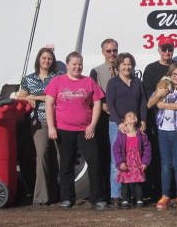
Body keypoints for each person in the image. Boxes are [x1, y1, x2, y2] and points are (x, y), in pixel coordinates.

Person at [45, 52, 107, 210]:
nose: (77, 67)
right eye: (74, 64)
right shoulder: (57, 81)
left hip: (85, 130)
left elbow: (97, 103)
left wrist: (92, 125)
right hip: (64, 130)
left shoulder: (88, 81)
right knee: (66, 164)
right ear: (67, 65)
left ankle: (97, 198)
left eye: (80, 64)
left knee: (95, 161)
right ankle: (66, 198)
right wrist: (51, 127)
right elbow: (49, 104)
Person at [17, 47, 60, 206]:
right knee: (41, 155)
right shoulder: (28, 79)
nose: (46, 61)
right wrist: (27, 97)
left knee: (58, 158)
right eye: (44, 58)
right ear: (38, 60)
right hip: (38, 121)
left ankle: (57, 194)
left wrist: (33, 96)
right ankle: (41, 197)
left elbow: (55, 97)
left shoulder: (57, 78)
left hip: (57, 120)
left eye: (49, 58)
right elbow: (20, 97)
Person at [146, 62, 177, 211]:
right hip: (163, 130)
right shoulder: (163, 87)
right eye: (174, 74)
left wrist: (163, 104)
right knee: (166, 164)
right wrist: (159, 95)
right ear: (170, 75)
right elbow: (150, 104)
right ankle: (165, 194)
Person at [106, 52, 148, 206]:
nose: (127, 66)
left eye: (129, 64)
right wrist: (119, 123)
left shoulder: (137, 82)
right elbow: (110, 103)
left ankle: (134, 196)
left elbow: (143, 102)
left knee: (135, 159)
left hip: (134, 126)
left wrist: (143, 119)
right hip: (117, 125)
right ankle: (117, 195)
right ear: (118, 66)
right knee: (116, 160)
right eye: (123, 64)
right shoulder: (113, 83)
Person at [142, 36, 177, 198]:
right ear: (159, 50)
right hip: (157, 120)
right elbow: (149, 98)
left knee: (176, 158)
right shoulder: (150, 69)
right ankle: (157, 191)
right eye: (164, 49)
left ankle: (176, 190)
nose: (167, 52)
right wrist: (160, 96)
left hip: (176, 120)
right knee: (157, 157)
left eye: (170, 49)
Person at [89, 38, 119, 203]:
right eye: (109, 51)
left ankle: (116, 192)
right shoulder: (96, 71)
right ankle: (104, 193)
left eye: (114, 50)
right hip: (102, 118)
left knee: (117, 156)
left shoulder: (124, 68)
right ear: (103, 52)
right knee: (103, 155)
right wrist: (102, 106)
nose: (112, 54)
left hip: (118, 119)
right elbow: (92, 94)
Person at [112, 111, 151, 208]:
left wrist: (145, 161)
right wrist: (120, 162)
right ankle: (125, 199)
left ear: (136, 120)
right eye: (129, 116)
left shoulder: (141, 135)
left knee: (138, 182)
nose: (132, 116)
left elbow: (147, 148)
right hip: (126, 163)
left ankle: (139, 199)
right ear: (124, 122)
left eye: (133, 115)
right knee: (125, 182)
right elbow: (116, 149)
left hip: (137, 163)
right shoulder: (121, 136)